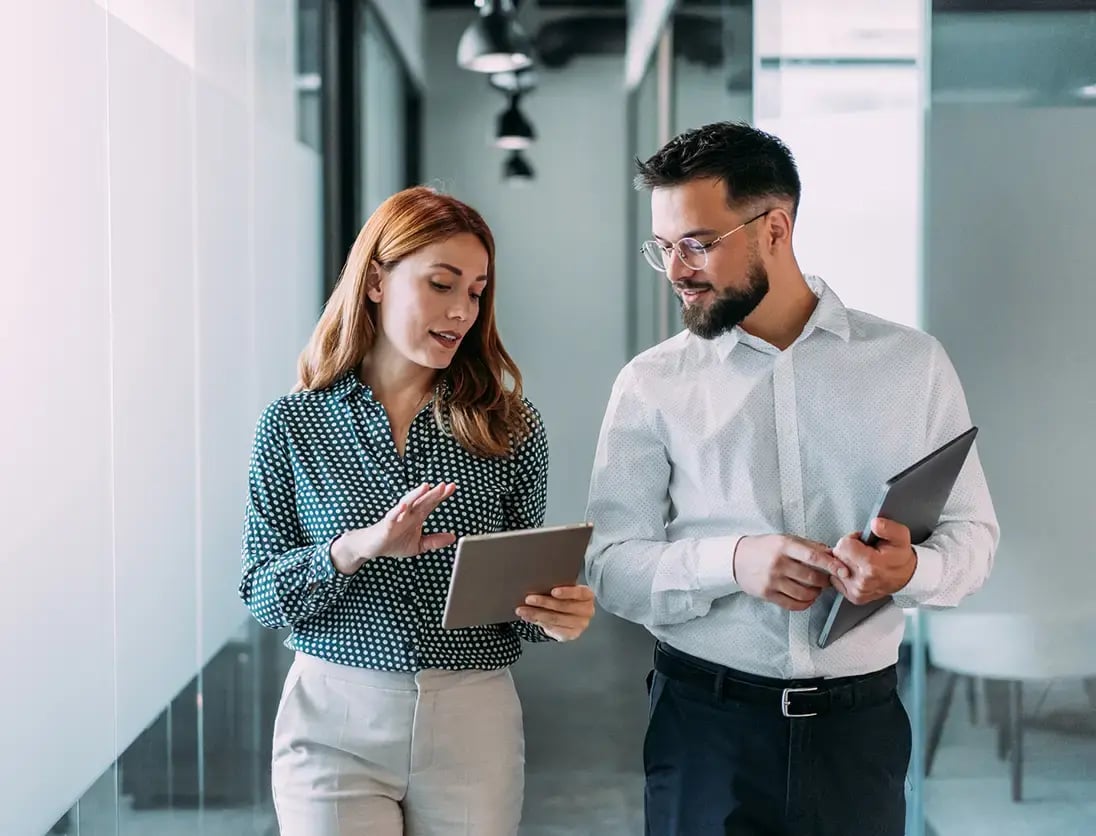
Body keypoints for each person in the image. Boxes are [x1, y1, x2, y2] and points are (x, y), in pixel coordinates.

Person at [584, 122, 999, 836]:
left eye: (697, 244)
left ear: (774, 228)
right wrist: (733, 562)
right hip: (705, 733)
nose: (677, 269)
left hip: (860, 735)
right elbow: (609, 567)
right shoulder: (651, 383)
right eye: (664, 247)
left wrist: (908, 572)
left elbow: (974, 539)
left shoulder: (911, 365)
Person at [239, 186, 595, 836]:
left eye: (476, 292)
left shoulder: (510, 428)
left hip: (472, 720)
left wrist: (556, 617)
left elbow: (519, 607)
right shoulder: (292, 424)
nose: (462, 310)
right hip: (332, 717)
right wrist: (355, 548)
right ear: (377, 281)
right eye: (441, 284)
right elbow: (263, 595)